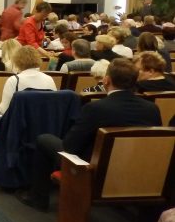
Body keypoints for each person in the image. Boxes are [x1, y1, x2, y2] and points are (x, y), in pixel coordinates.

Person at [17, 59, 160, 211]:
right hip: (140, 170)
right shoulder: (152, 108)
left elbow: (70, 146)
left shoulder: (96, 108)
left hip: (95, 171)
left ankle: (38, 198)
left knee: (44, 139)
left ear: (106, 80)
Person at [0, 46, 56, 114]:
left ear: (17, 61)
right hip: (45, 118)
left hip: (20, 119)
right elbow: (54, 106)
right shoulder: (49, 79)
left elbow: (4, 110)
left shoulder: (13, 80)